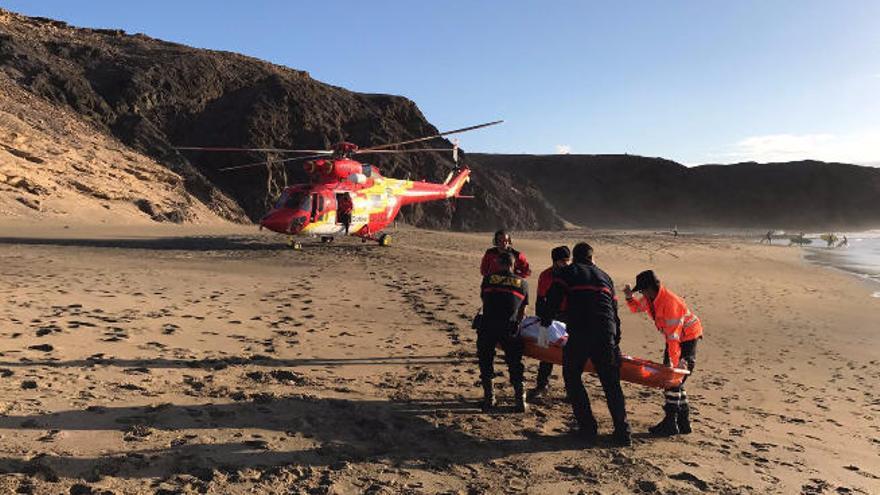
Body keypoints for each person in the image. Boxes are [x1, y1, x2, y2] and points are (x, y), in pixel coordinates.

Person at [540, 242, 631, 446]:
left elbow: (553, 298)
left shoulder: (568, 272)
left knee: (572, 376)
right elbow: (614, 312)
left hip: (581, 331)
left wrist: (545, 323)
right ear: (591, 258)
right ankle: (623, 431)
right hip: (606, 331)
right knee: (611, 383)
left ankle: (588, 428)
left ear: (575, 257)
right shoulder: (605, 277)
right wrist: (615, 341)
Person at [624, 270, 703, 436]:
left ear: (651, 288)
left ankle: (671, 422)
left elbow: (674, 338)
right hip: (674, 337)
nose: (641, 294)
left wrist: (673, 365)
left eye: (642, 290)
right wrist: (629, 297)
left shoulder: (669, 303)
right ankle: (683, 421)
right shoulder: (651, 298)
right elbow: (637, 308)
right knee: (675, 379)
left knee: (672, 378)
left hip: (688, 337)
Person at [478, 252, 530, 413]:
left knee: (486, 360)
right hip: (509, 326)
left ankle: (489, 398)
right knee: (514, 363)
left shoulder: (488, 279)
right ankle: (520, 399)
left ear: (498, 264)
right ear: (513, 265)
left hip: (488, 324)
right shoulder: (522, 283)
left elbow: (484, 299)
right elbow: (523, 310)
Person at [528, 245, 571, 402]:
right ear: (555, 261)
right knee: (546, 353)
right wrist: (541, 320)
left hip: (570, 316)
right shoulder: (545, 275)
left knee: (570, 354)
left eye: (568, 260)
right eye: (562, 261)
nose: (566, 263)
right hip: (551, 316)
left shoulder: (573, 274)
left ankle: (571, 390)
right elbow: (540, 298)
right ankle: (542, 386)